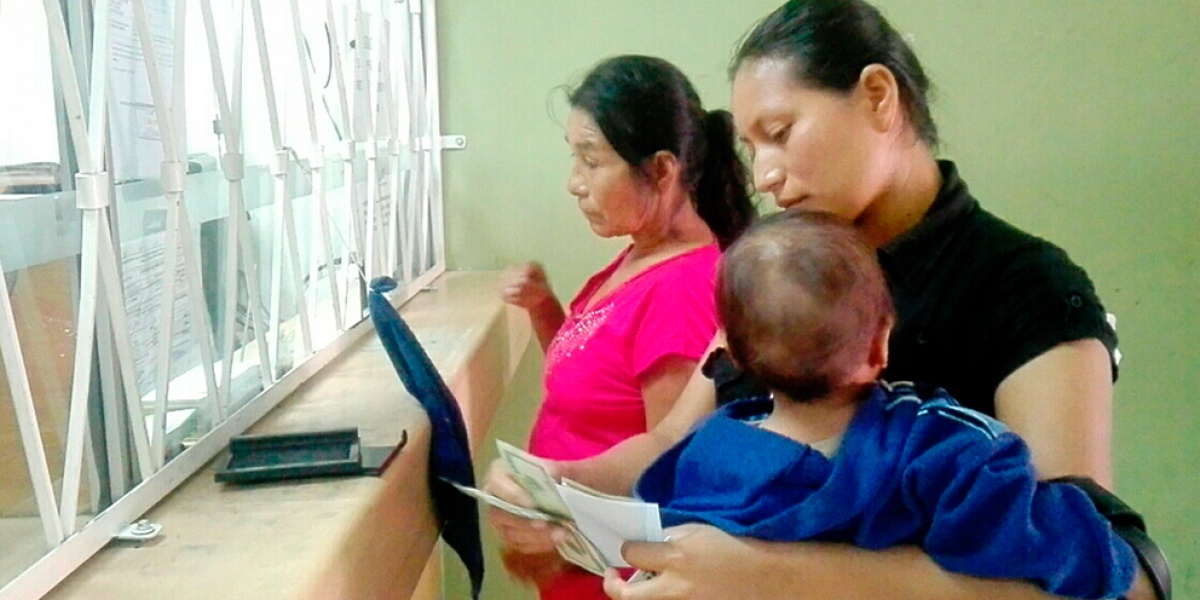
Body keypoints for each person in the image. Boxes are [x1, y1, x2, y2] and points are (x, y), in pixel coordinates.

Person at [487, 2, 1170, 599]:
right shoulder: (775, 272)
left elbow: (1113, 579)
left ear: (877, 97)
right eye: (751, 147)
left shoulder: (1023, 289)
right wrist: (562, 484)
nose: (764, 175)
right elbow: (671, 441)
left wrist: (777, 577)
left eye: (781, 133)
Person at [633, 210, 1136, 600]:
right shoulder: (936, 449)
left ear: (736, 359)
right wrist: (1109, 554)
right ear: (880, 344)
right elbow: (1031, 540)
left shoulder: (705, 455)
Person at [497, 54, 756, 600]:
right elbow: (588, 380)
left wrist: (560, 499)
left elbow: (666, 465)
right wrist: (545, 307)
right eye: (574, 158)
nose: (575, 183)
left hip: (610, 577)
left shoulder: (683, 291)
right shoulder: (639, 254)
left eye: (591, 161)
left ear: (661, 170)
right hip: (573, 560)